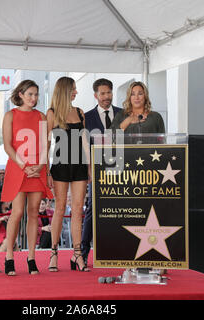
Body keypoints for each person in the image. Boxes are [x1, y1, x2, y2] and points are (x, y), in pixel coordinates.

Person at [1, 80, 53, 276]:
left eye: (36, 94)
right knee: (17, 212)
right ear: (20, 94)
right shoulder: (10, 116)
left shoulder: (41, 116)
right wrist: (23, 166)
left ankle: (31, 257)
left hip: (37, 169)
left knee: (33, 213)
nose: (34, 98)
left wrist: (40, 166)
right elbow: (7, 145)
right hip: (18, 169)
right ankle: (9, 256)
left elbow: (45, 145)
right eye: (30, 94)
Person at [46, 76, 90, 272]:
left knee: (78, 209)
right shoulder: (52, 113)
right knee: (60, 207)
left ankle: (77, 254)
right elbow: (46, 144)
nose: (76, 92)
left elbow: (84, 141)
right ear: (65, 90)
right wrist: (46, 170)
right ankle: (54, 253)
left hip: (80, 164)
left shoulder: (80, 112)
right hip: (60, 164)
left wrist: (90, 166)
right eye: (73, 89)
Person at [81, 78, 122, 263]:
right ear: (96, 95)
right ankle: (83, 251)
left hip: (122, 168)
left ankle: (121, 248)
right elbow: (83, 146)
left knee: (121, 208)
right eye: (103, 93)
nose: (107, 97)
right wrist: (88, 170)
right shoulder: (87, 118)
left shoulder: (123, 114)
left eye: (109, 93)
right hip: (96, 169)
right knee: (92, 209)